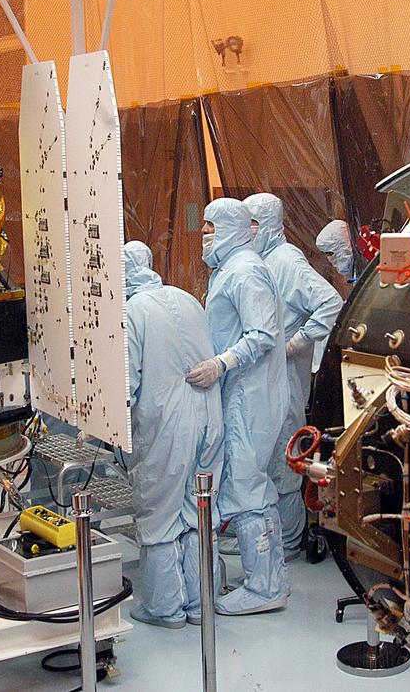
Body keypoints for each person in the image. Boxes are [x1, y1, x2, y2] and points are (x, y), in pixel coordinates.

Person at [186, 198, 290, 615]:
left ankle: (266, 589)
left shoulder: (246, 271)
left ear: (233, 227)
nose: (205, 234)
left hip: (252, 395)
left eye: (211, 227)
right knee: (247, 484)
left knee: (248, 487)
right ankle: (268, 578)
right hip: (242, 393)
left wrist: (220, 363)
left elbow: (262, 334)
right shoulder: (230, 270)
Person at [123, 241, 225, 629]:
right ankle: (201, 604)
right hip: (208, 419)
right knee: (199, 511)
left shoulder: (134, 311)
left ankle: (165, 608)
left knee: (158, 514)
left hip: (166, 426)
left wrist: (100, 425)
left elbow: (127, 381)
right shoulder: (186, 297)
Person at [244, 194, 343, 556]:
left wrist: (296, 342)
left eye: (254, 223)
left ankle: (287, 541)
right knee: (266, 460)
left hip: (285, 378)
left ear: (270, 223)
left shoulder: (287, 261)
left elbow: (331, 303)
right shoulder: (260, 262)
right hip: (264, 378)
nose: (248, 230)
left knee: (286, 461)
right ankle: (270, 537)